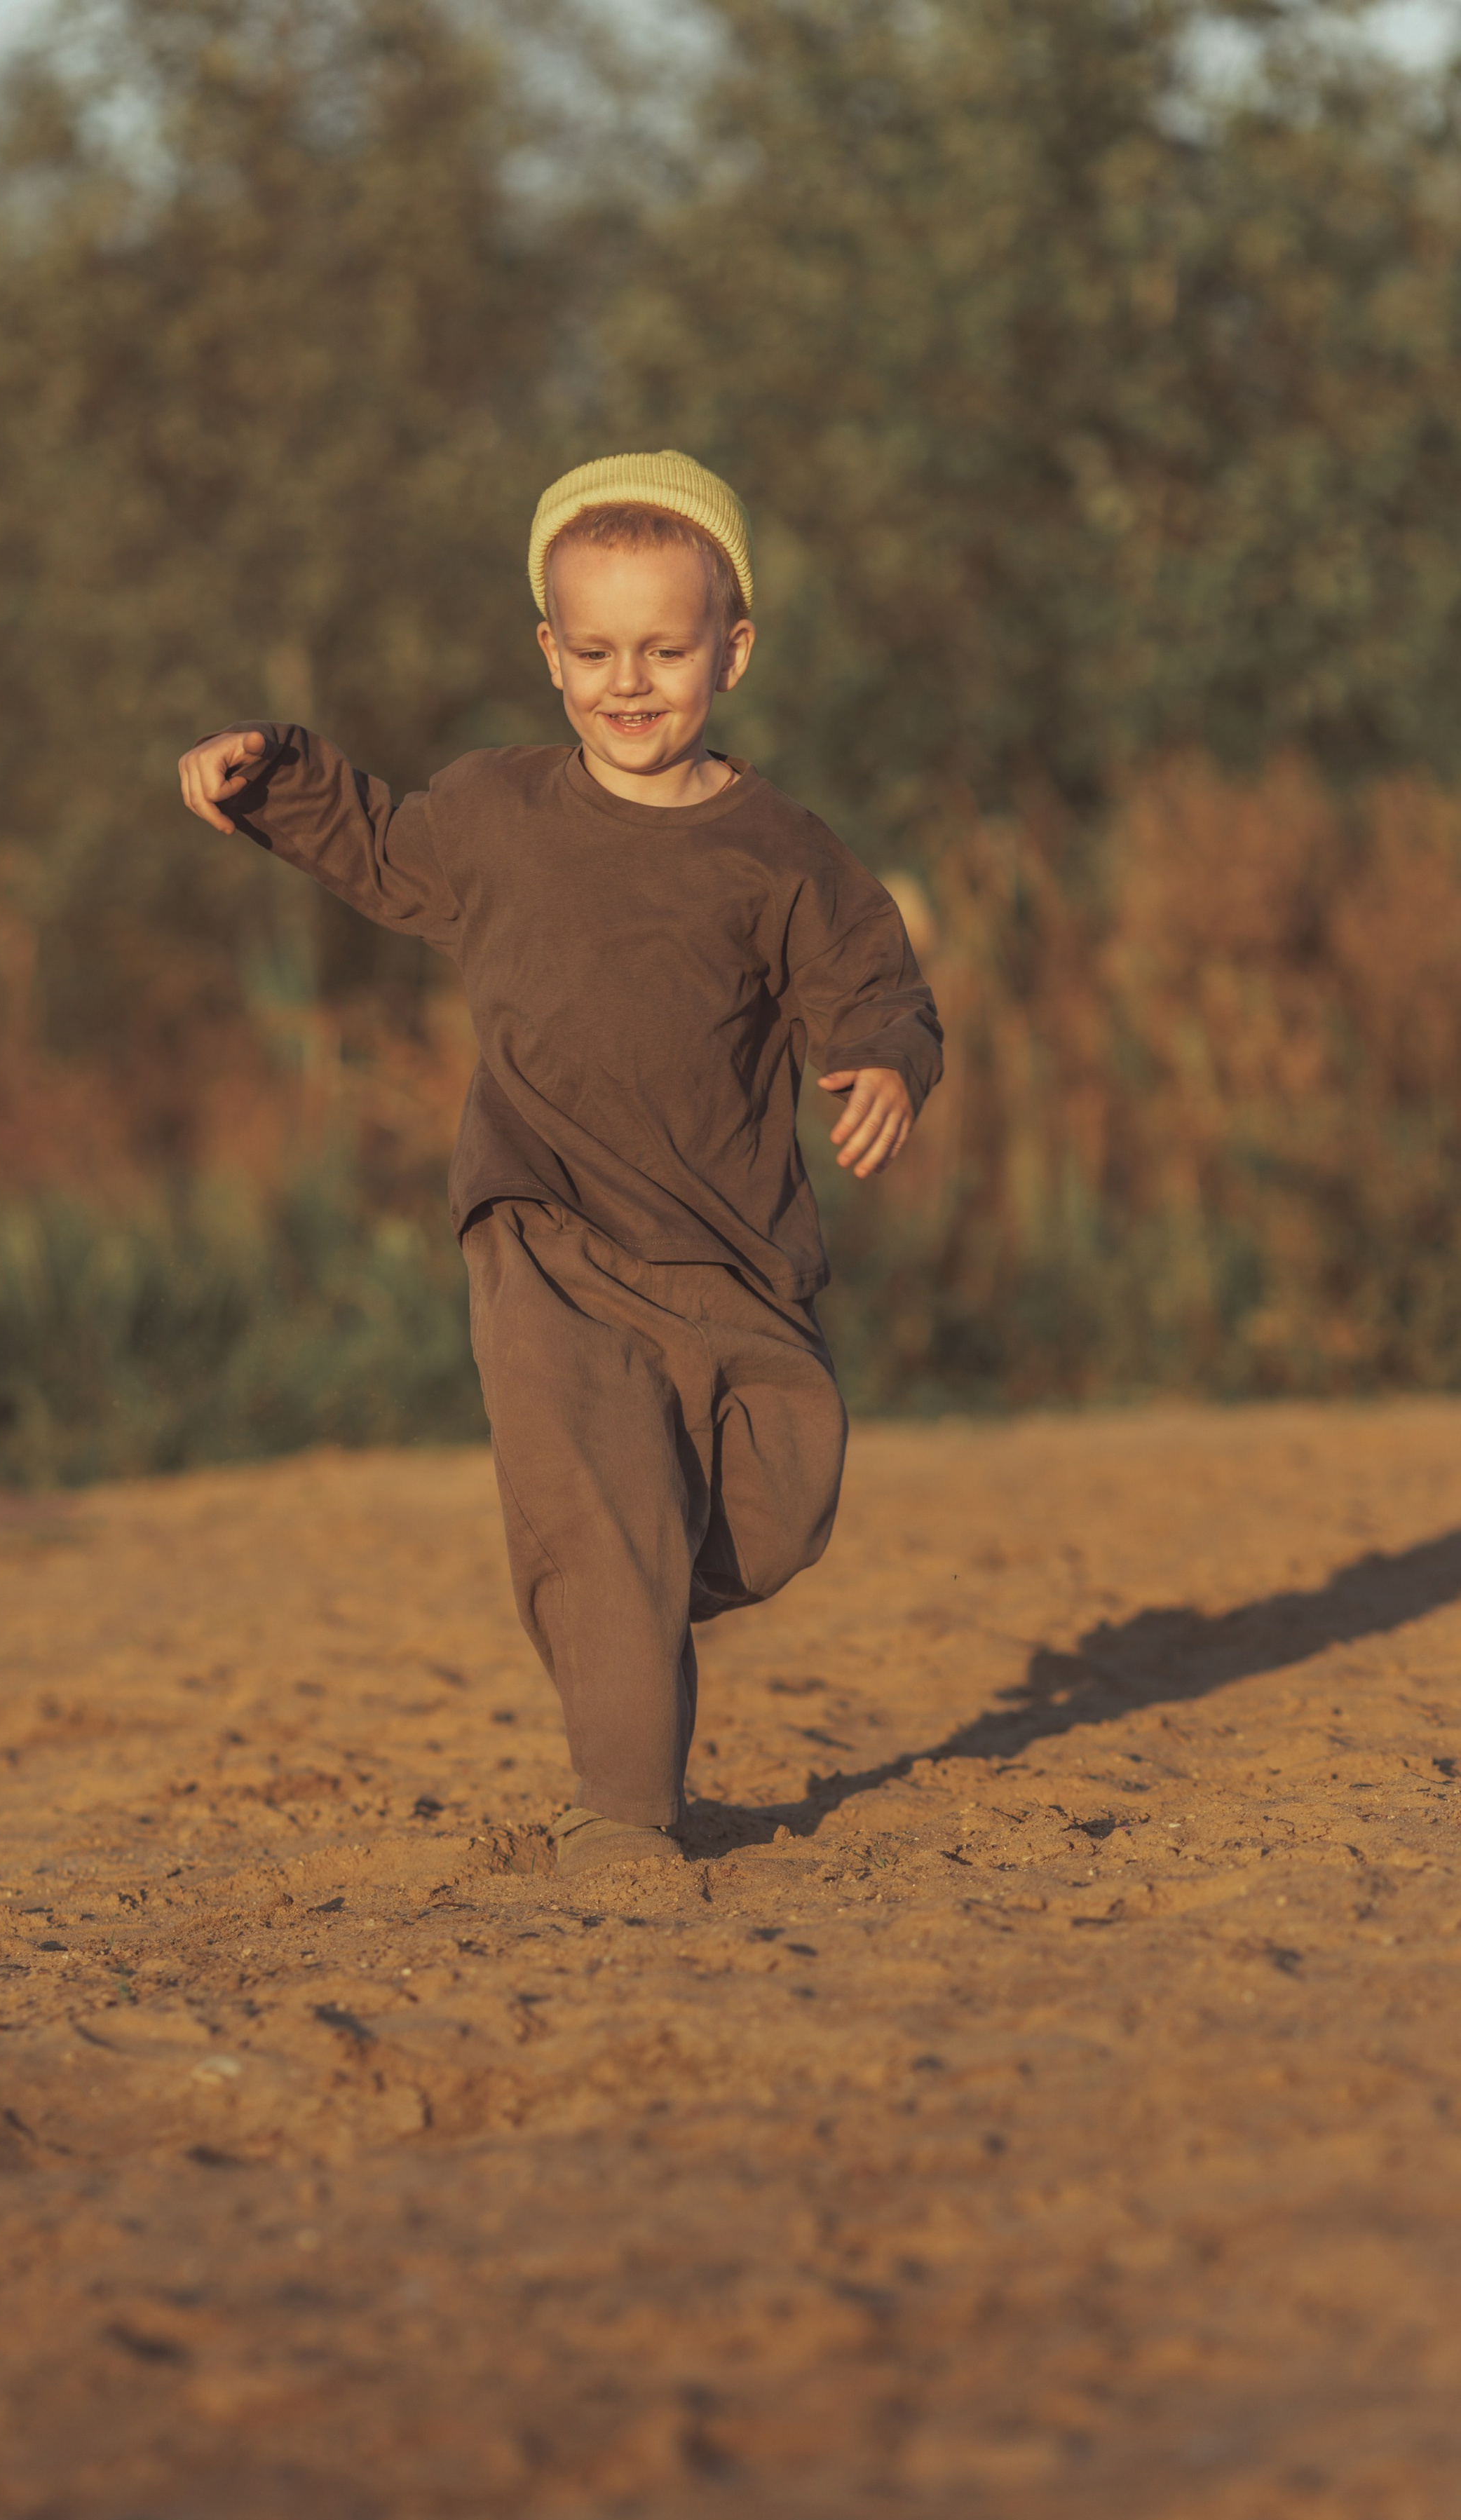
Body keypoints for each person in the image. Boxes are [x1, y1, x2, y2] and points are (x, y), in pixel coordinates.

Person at [178, 449, 942, 1876]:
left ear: (734, 646)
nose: (628, 681)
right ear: (548, 652)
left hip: (728, 1253)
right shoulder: (494, 814)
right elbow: (378, 847)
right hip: (537, 1230)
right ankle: (622, 1814)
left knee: (781, 1508)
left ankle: (635, 1598)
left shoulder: (780, 851)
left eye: (664, 647)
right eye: (592, 650)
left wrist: (888, 1059)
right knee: (602, 1526)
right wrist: (271, 772)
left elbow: (868, 978)